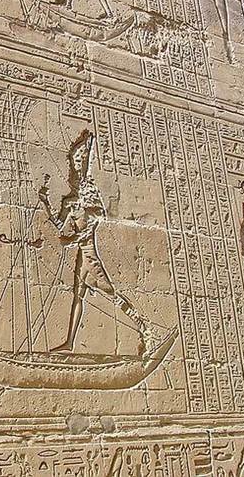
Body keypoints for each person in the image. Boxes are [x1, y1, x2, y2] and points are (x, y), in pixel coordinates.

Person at [39, 129, 154, 353]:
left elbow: (92, 224)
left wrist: (72, 240)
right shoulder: (70, 203)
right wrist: (45, 203)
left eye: (76, 169)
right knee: (77, 296)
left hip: (90, 256)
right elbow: (60, 225)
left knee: (109, 293)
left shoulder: (89, 202)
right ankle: (70, 342)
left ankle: (143, 327)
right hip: (82, 257)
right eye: (73, 169)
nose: (73, 174)